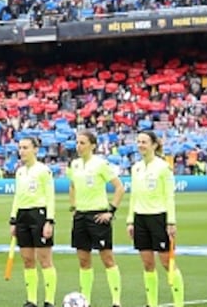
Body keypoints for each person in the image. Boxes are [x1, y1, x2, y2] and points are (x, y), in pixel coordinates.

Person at [67, 130, 124, 307]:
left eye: (82, 143)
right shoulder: (74, 164)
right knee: (83, 260)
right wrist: (74, 206)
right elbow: (72, 186)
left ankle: (116, 301)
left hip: (98, 216)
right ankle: (86, 301)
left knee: (107, 259)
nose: (79, 146)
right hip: (81, 217)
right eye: (77, 142)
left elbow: (119, 188)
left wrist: (111, 211)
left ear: (92, 145)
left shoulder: (100, 164)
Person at [127, 130, 184, 307]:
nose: (140, 145)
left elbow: (169, 196)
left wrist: (171, 222)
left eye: (144, 142)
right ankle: (151, 303)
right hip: (140, 218)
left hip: (159, 218)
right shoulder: (135, 168)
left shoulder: (163, 167)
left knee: (167, 262)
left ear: (154, 145)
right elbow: (134, 196)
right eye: (138, 142)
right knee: (147, 263)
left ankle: (178, 303)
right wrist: (130, 220)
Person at [10, 137, 57, 307]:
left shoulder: (44, 170)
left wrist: (49, 220)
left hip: (39, 215)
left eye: (25, 147)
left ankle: (49, 300)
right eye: (20, 148)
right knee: (27, 259)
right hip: (22, 215)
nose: (22, 151)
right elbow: (17, 196)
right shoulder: (20, 171)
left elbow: (50, 196)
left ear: (35, 149)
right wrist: (13, 219)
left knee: (44, 259)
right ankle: (31, 300)